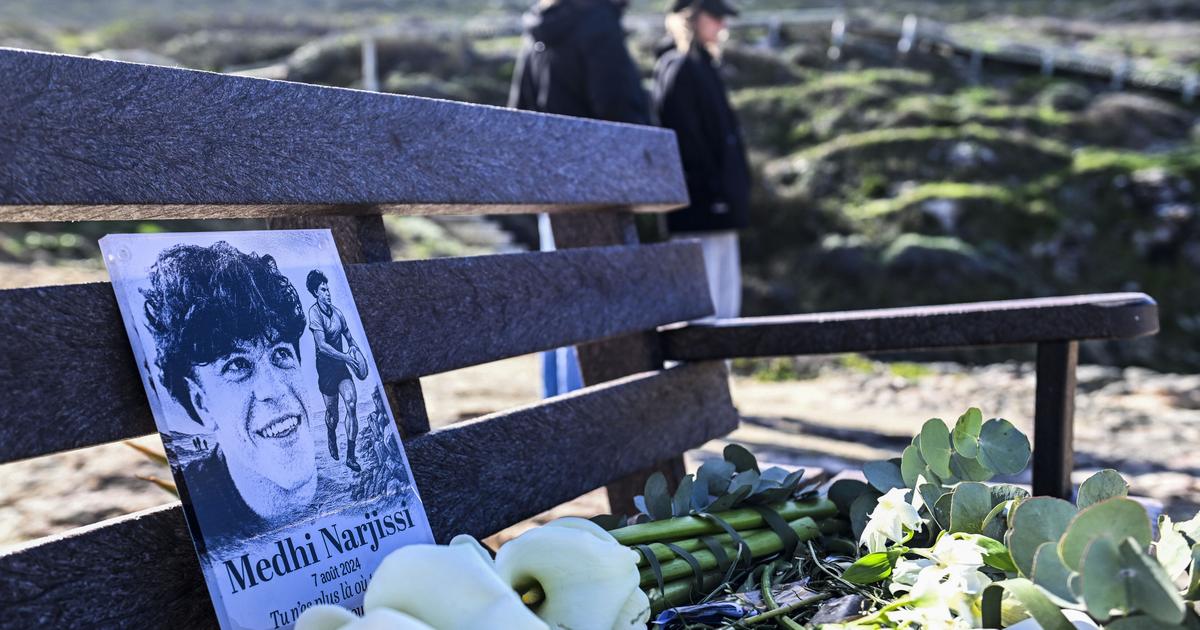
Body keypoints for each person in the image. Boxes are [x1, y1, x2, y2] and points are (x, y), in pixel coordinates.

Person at [509, 0, 652, 396]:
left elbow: (518, 111)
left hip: (549, 187)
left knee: (560, 300)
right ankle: (588, 410)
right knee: (596, 302)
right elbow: (618, 110)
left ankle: (557, 404)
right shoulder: (598, 25)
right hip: (596, 192)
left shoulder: (540, 27)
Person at [142, 241, 316, 545]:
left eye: (280, 354)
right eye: (237, 365)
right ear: (201, 403)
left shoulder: (360, 483)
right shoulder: (208, 512)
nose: (274, 390)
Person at [653, 0, 750, 319]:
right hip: (700, 207)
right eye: (715, 16)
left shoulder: (702, 65)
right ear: (691, 17)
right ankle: (697, 368)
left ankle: (718, 368)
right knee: (702, 306)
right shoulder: (680, 67)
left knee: (724, 303)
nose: (722, 25)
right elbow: (685, 141)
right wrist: (713, 191)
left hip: (717, 206)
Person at [306, 269, 364, 473]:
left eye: (328, 289)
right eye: (323, 290)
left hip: (341, 367)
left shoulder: (338, 313)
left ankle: (350, 455)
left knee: (351, 402)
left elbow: (349, 337)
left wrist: (355, 350)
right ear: (315, 292)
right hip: (326, 369)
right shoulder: (314, 313)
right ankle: (331, 434)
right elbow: (322, 346)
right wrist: (346, 356)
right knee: (333, 414)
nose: (328, 293)